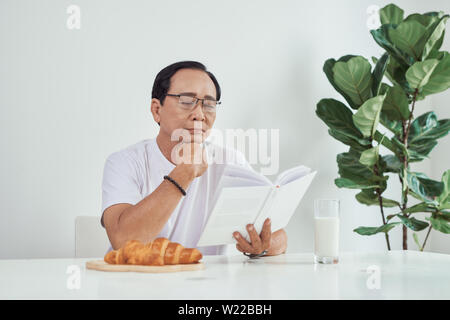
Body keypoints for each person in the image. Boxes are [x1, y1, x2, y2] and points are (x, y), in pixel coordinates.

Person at [101, 61, 287, 256]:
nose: (199, 115)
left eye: (209, 104)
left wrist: (264, 245)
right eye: (186, 101)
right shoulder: (124, 162)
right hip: (136, 282)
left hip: (206, 284)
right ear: (157, 110)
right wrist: (185, 172)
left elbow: (280, 237)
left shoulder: (230, 160)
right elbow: (122, 242)